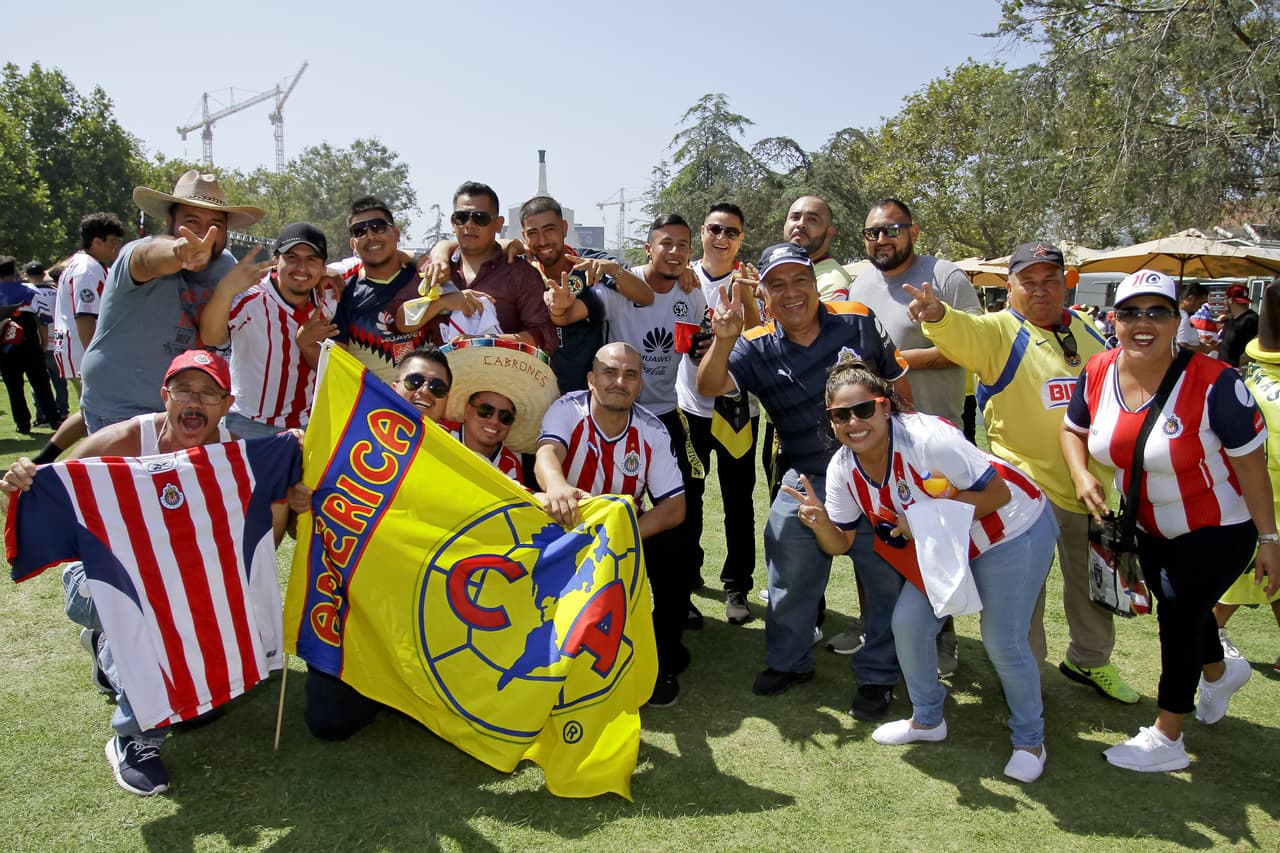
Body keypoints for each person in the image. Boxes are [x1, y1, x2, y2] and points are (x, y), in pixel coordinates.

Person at [1, 350, 300, 796]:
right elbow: (46, 495)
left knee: (201, 705)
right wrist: (20, 484)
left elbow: (257, 549)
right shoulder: (123, 440)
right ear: (166, 395)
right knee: (161, 616)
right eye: (183, 390)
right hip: (101, 584)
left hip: (187, 585)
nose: (194, 401)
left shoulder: (242, 458)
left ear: (226, 402)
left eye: (208, 393)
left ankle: (109, 654)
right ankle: (136, 739)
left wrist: (292, 492)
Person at [789, 356, 1056, 783]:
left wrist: (922, 519)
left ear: (885, 405)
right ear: (831, 420)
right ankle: (928, 720)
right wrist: (821, 522)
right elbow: (840, 544)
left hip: (1012, 528)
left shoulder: (930, 439)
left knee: (1002, 639)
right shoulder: (842, 467)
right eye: (841, 415)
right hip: (948, 542)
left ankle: (1030, 740)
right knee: (908, 624)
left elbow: (998, 494)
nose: (854, 422)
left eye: (864, 409)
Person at [1061, 269, 1278, 773]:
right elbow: (1073, 430)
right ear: (1113, 319)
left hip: (1219, 527)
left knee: (1178, 616)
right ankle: (1221, 673)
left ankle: (1168, 734)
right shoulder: (1098, 369)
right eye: (1131, 311)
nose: (1143, 323)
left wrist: (1269, 538)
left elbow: (1250, 462)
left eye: (1157, 311)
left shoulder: (1215, 382)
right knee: (1187, 607)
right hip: (1145, 526)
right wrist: (1080, 476)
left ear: (1177, 318)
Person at [910, 241, 1142, 705]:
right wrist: (936, 315)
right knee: (1022, 591)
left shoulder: (1086, 329)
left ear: (1065, 283)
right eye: (1028, 282)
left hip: (1089, 486)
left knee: (1092, 582)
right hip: (1025, 489)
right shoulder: (999, 330)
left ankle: (1090, 659)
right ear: (1010, 287)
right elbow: (961, 332)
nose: (1040, 290)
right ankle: (1024, 671)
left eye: (1049, 280)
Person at [698, 242, 912, 719]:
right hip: (808, 474)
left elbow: (899, 386)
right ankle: (790, 661)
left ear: (815, 283)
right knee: (789, 571)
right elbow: (709, 386)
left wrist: (909, 462)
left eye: (799, 280)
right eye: (777, 284)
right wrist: (726, 339)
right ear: (765, 296)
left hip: (874, 471)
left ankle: (879, 674)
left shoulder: (857, 319)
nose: (791, 292)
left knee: (884, 579)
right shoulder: (754, 344)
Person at [548, 213, 707, 630]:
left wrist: (714, 340)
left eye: (682, 245)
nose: (674, 251)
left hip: (665, 415)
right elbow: (575, 312)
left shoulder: (692, 293)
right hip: (617, 414)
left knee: (684, 508)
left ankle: (680, 594)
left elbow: (687, 351)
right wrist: (563, 309)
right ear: (648, 248)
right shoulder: (618, 283)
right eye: (665, 243)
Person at [842, 197, 982, 669]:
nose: (881, 239)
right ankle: (873, 625)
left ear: (914, 231)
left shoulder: (945, 278)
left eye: (892, 229)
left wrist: (891, 363)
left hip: (933, 434)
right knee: (877, 538)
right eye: (873, 233)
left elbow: (967, 349)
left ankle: (943, 638)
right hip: (875, 436)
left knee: (936, 536)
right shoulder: (860, 282)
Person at [302, 345, 454, 740]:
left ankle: (402, 685)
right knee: (329, 723)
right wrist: (301, 490)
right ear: (394, 385)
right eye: (416, 381)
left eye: (437, 387)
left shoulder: (457, 458)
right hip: (353, 608)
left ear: (445, 402)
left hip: (416, 608)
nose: (425, 392)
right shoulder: (349, 435)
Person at [535, 343, 687, 706]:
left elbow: (675, 507)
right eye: (610, 372)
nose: (620, 381)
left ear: (640, 386)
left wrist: (621, 533)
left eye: (630, 374)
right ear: (591, 379)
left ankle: (662, 659)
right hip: (567, 525)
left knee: (675, 551)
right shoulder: (567, 409)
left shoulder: (653, 431)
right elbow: (546, 454)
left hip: (625, 532)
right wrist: (556, 487)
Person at [78, 171, 263, 432]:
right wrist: (180, 253)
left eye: (215, 225)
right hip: (120, 411)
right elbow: (148, 258)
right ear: (169, 221)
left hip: (183, 414)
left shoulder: (225, 266)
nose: (203, 234)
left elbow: (214, 337)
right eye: (192, 221)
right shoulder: (139, 250)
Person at [676, 203, 763, 625]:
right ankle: (687, 578)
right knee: (687, 500)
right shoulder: (683, 274)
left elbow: (760, 337)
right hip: (689, 409)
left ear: (741, 238)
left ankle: (737, 587)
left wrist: (746, 291)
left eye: (731, 231)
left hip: (735, 410)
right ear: (702, 232)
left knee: (738, 501)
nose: (722, 238)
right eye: (715, 229)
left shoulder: (748, 281)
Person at [199, 223, 337, 437]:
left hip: (307, 426)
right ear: (276, 260)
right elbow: (210, 337)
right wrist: (225, 290)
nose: (301, 268)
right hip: (247, 423)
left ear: (323, 266)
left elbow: (367, 263)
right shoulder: (250, 299)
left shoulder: (330, 299)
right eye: (292, 257)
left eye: (312, 259)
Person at [519, 195, 653, 392]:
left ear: (564, 228)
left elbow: (646, 297)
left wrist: (612, 269)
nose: (542, 240)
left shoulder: (591, 263)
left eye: (549, 230)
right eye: (533, 233)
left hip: (587, 396)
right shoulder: (521, 269)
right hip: (532, 394)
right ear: (524, 236)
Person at [331, 197, 467, 384]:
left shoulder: (430, 276)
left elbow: (480, 247)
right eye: (359, 231)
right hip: (376, 410)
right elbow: (337, 364)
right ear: (353, 244)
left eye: (378, 226)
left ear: (396, 233)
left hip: (430, 405)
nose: (370, 235)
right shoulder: (343, 294)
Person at [1221, 276, 1280, 671]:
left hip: (1253, 502)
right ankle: (1207, 638)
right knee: (1245, 577)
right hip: (1265, 505)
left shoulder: (1253, 380)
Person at [444, 182, 557, 354]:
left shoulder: (520, 274)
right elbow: (401, 321)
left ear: (498, 224)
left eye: (480, 218)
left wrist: (488, 342)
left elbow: (546, 337)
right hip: (439, 378)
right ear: (453, 223)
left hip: (503, 377)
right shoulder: (435, 269)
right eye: (461, 217)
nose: (469, 224)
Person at [438, 337, 559, 482]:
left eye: (505, 417)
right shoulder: (438, 433)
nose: (495, 420)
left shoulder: (510, 465)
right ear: (467, 411)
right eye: (485, 410)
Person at [0, 256, 59, 435]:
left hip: (5, 347)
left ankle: (23, 424)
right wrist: (43, 342)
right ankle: (53, 419)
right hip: (29, 343)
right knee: (41, 383)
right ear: (14, 272)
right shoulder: (29, 291)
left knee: (14, 387)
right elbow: (42, 319)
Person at [24, 261, 67, 426]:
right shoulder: (57, 292)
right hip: (58, 341)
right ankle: (62, 412)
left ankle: (42, 415)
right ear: (44, 274)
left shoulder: (28, 292)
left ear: (28, 276)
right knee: (60, 381)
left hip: (39, 342)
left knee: (39, 383)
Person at [784, 196, 851, 300]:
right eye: (795, 217)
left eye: (812, 220)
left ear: (830, 232)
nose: (801, 224)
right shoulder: (779, 271)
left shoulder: (833, 281)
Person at [1219, 282, 1259, 368]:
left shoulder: (1251, 320)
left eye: (1225, 298)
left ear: (1230, 300)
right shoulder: (1230, 319)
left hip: (1238, 372)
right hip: (1223, 370)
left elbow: (1252, 350)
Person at [1176, 282, 1212, 354]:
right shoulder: (1183, 317)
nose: (1200, 307)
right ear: (1190, 298)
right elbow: (1181, 346)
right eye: (1200, 303)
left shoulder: (1179, 315)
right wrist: (1204, 349)